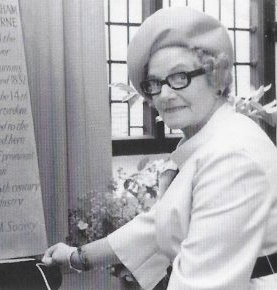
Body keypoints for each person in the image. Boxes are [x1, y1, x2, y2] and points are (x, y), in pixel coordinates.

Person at [42, 7, 277, 290]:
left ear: (216, 77)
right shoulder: (208, 142)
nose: (165, 94)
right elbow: (159, 225)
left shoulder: (233, 156)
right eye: (155, 83)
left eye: (180, 77)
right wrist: (77, 258)